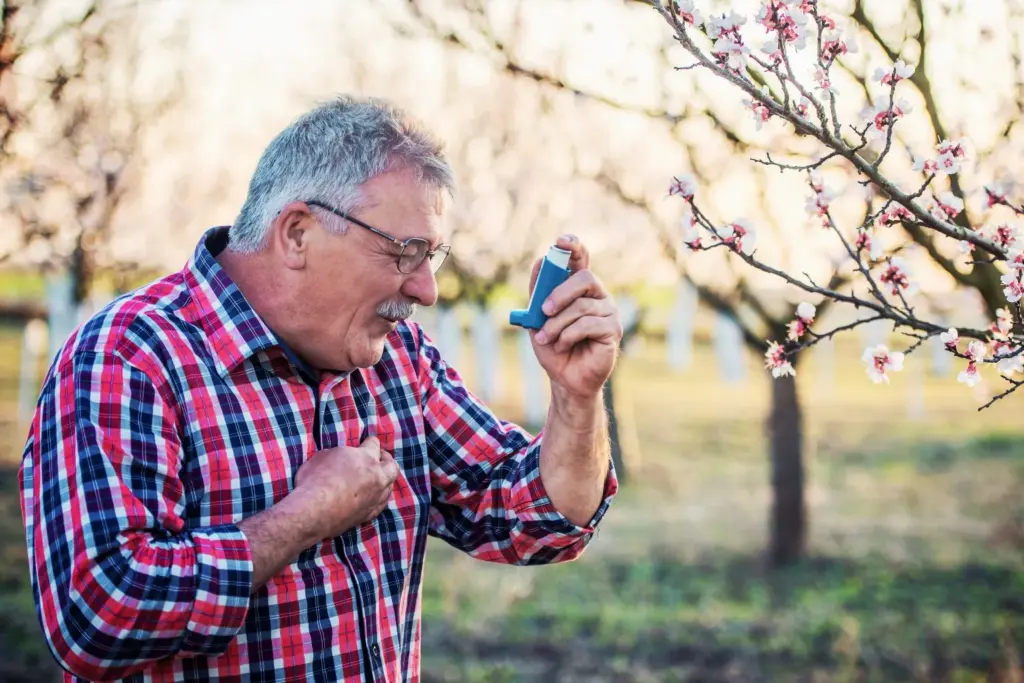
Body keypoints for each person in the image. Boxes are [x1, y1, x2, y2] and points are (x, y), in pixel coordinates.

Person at [19, 94, 621, 683]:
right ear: (298, 233)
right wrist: (303, 518)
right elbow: (97, 619)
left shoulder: (398, 360)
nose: (425, 291)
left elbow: (532, 520)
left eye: (431, 256)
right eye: (405, 252)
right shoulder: (129, 358)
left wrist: (576, 398)